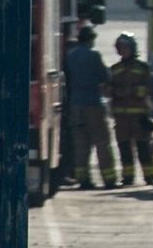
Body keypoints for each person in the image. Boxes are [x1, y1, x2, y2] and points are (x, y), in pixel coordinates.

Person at [62, 26, 117, 189]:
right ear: (90, 39)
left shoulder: (70, 56)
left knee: (81, 143)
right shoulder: (94, 55)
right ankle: (109, 178)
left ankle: (83, 179)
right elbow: (105, 77)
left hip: (75, 104)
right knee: (102, 141)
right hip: (93, 103)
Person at [107, 33, 153, 186]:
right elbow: (108, 89)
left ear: (132, 48)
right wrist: (113, 91)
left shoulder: (143, 68)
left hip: (139, 116)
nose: (122, 51)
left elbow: (149, 88)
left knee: (143, 148)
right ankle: (128, 176)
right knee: (124, 148)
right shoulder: (114, 69)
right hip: (121, 117)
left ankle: (149, 176)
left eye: (125, 48)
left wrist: (133, 91)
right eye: (120, 48)